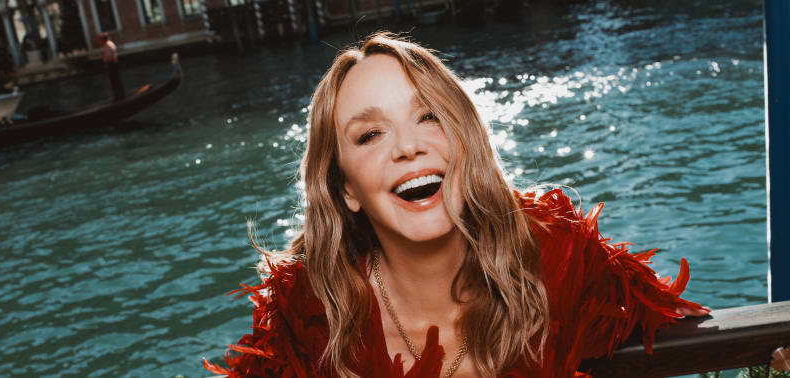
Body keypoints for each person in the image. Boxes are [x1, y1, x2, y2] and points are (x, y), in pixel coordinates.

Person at [204, 33, 709, 377]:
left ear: (465, 140)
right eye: (371, 134)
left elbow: (662, 321)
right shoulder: (305, 312)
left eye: (428, 117)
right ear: (345, 190)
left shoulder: (560, 258)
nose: (408, 146)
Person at [100, 33, 124, 101]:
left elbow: (110, 56)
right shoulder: (110, 43)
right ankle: (119, 94)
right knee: (116, 79)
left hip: (111, 64)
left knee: (114, 80)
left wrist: (106, 62)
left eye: (100, 40)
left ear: (103, 39)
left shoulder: (107, 45)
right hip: (112, 63)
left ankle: (118, 96)